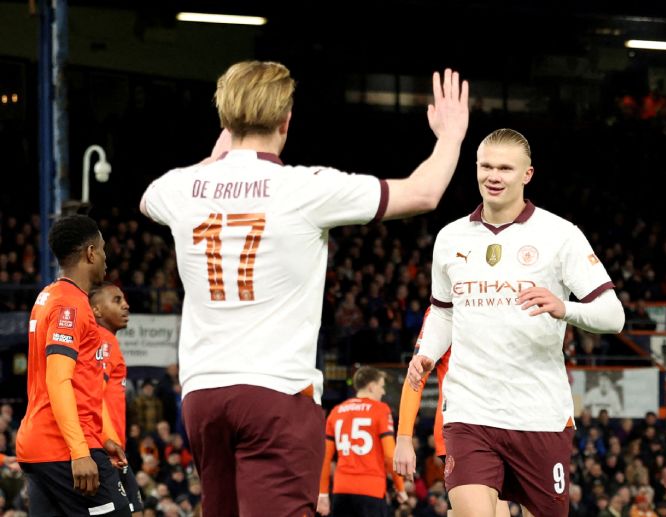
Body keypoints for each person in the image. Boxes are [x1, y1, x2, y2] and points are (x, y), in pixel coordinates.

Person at [139, 60, 469, 516]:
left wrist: (215, 160)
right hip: (276, 396)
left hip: (202, 398)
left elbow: (148, 197)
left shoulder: (181, 187)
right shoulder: (304, 187)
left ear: (224, 120)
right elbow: (423, 193)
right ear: (285, 121)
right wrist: (451, 136)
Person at [407, 129, 625, 517]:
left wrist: (565, 309)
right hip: (469, 411)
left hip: (539, 414)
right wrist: (426, 353)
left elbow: (614, 316)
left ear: (527, 174)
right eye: (486, 166)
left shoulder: (560, 235)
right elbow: (444, 311)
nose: (494, 175)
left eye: (505, 168)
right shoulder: (449, 237)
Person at [16, 215, 130, 516]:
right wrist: (80, 451)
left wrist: (103, 437)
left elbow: (77, 382)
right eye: (103, 249)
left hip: (40, 447)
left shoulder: (49, 295)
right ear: (90, 253)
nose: (106, 257)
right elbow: (58, 380)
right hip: (63, 448)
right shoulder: (70, 304)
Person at [394, 308, 511, 517]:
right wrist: (404, 438)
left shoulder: (505, 299)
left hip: (503, 427)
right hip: (461, 430)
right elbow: (416, 374)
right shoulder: (446, 309)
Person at [317, 366, 406, 516]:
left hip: (341, 490)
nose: (383, 392)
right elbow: (390, 455)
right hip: (371, 490)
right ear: (371, 387)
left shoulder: (336, 411)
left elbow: (325, 458)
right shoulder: (381, 410)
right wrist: (400, 487)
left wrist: (323, 493)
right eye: (381, 386)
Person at [90, 282, 144, 516]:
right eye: (116, 300)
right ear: (97, 310)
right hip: (106, 453)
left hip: (112, 450)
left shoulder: (107, 341)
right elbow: (92, 396)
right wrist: (106, 443)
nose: (126, 305)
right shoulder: (103, 341)